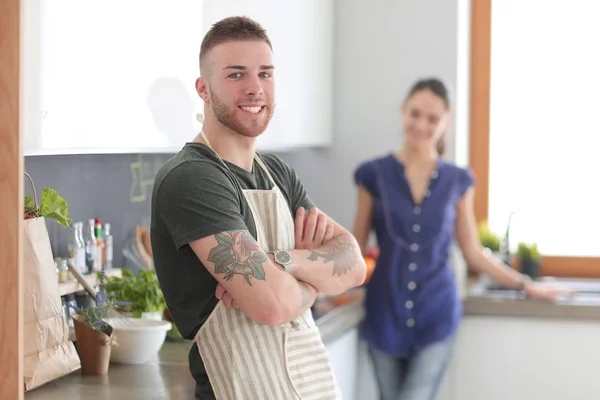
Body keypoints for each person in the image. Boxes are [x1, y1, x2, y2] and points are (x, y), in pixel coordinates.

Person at [150, 16, 366, 400]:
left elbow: (353, 264)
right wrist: (312, 285)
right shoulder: (193, 179)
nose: (255, 88)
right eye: (236, 75)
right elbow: (272, 306)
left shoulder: (276, 172)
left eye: (265, 74)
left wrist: (280, 261)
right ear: (203, 88)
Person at [352, 77, 573, 400]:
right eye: (415, 114)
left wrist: (527, 285)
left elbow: (473, 252)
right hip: (385, 312)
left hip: (436, 314)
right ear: (403, 111)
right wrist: (321, 289)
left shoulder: (457, 180)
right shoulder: (373, 174)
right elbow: (354, 248)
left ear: (445, 123)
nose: (421, 125)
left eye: (432, 118)